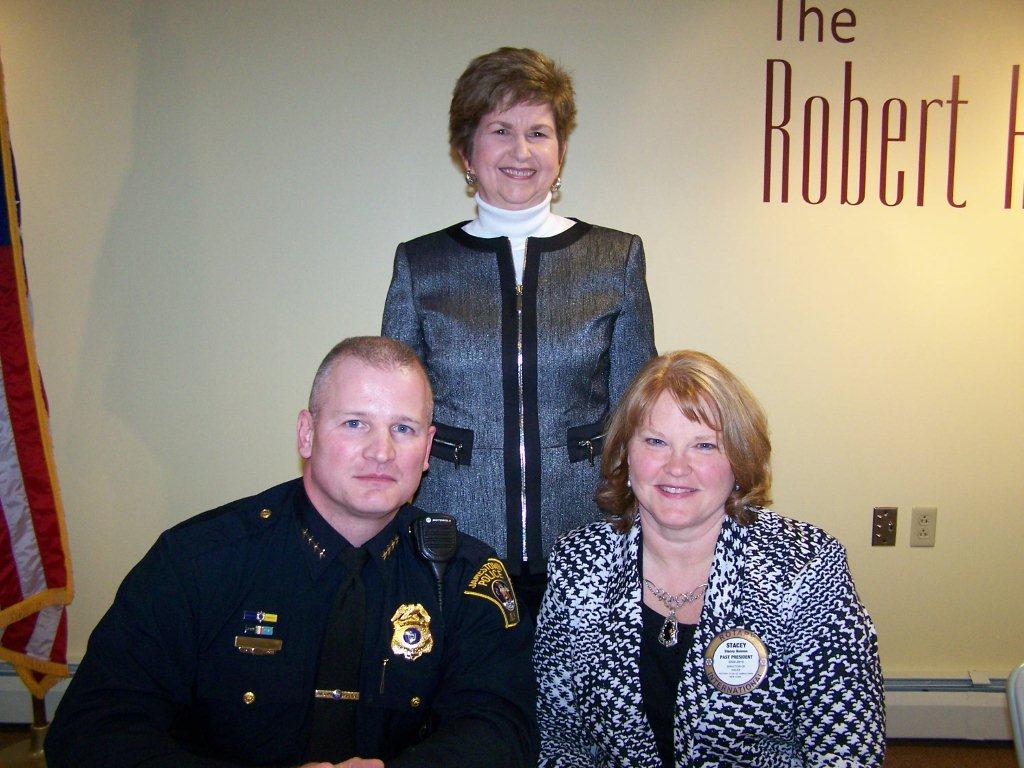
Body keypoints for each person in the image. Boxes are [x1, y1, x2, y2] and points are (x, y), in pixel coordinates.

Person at [46, 336, 537, 768]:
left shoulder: (464, 576)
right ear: (307, 433)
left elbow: (502, 731)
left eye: (403, 429)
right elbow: (92, 731)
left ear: (427, 450)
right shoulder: (200, 561)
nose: (382, 452)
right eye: (354, 423)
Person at [382, 47, 656, 613]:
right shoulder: (423, 263)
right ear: (467, 151)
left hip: (586, 533)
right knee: (470, 694)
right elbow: (394, 412)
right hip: (454, 533)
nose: (521, 151)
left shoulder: (615, 257)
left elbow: (642, 406)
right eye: (500, 130)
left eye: (539, 132)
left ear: (561, 149)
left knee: (572, 696)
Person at [534, 350, 885, 767]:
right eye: (656, 441)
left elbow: (846, 751)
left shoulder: (805, 569)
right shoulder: (577, 564)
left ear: (739, 461)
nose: (676, 467)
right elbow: (559, 739)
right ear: (626, 454)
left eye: (704, 445)